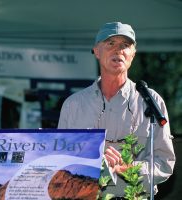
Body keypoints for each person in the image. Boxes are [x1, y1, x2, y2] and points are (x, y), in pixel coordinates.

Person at [58, 22, 176, 198]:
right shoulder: (73, 104)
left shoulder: (151, 102)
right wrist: (94, 160)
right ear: (96, 51)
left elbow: (165, 164)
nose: (118, 50)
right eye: (110, 43)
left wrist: (124, 168)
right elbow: (59, 160)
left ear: (132, 55)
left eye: (125, 45)